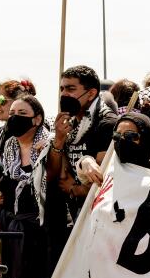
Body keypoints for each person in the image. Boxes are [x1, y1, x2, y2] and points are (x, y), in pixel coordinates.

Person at [0, 94, 51, 278]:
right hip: (10, 230)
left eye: (22, 113)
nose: (14, 117)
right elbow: (6, 182)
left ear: (37, 119)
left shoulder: (49, 147)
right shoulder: (8, 148)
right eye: (12, 112)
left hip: (38, 235)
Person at [46, 65, 119, 250]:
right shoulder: (69, 123)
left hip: (99, 216)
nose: (64, 95)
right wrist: (59, 139)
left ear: (91, 93)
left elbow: (106, 180)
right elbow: (53, 173)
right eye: (62, 89)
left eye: (71, 89)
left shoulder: (105, 123)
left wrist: (75, 189)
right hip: (76, 212)